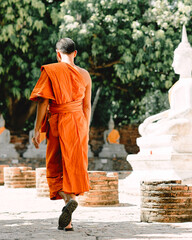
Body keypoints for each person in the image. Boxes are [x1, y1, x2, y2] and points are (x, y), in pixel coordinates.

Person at [30, 38, 92, 231]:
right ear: (75, 53)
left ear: (58, 54)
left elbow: (43, 103)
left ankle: (66, 200)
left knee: (56, 167)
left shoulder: (51, 71)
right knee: (73, 168)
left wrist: (37, 129)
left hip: (58, 121)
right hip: (78, 123)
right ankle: (69, 222)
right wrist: (85, 130)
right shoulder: (85, 74)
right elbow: (87, 106)